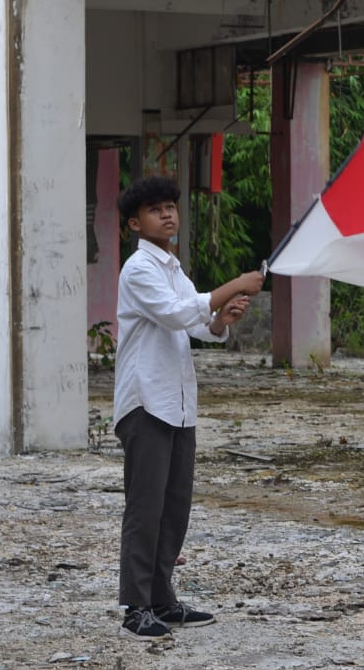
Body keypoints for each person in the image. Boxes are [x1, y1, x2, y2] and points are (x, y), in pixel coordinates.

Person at [113, 176, 265, 641]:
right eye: (156, 210)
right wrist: (233, 285)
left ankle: (162, 599)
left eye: (172, 207)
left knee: (174, 507)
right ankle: (136, 606)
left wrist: (221, 319)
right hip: (146, 403)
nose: (168, 215)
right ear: (134, 223)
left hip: (178, 405)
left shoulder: (174, 270)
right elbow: (179, 314)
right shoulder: (139, 269)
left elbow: (196, 326)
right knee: (145, 507)